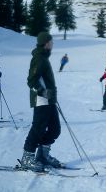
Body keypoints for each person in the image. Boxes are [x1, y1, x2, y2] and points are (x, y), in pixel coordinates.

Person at [21, 32, 61, 172]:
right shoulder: (38, 58)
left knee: (55, 129)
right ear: (46, 43)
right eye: (51, 41)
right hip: (41, 99)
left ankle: (42, 155)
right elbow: (31, 80)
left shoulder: (44, 57)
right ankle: (27, 157)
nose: (53, 44)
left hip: (49, 99)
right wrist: (44, 92)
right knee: (38, 129)